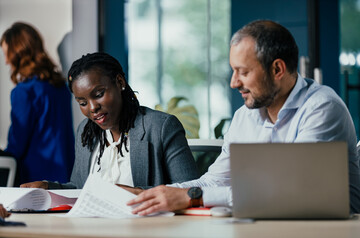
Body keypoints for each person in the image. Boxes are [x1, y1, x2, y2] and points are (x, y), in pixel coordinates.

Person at [127, 19, 360, 215]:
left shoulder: (322, 108)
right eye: (233, 70)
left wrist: (191, 197)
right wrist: (154, 194)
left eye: (244, 72)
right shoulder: (244, 117)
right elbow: (214, 181)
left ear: (277, 70)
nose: (233, 82)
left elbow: (290, 192)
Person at [21, 52, 199, 190]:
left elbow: (190, 191)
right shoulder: (85, 131)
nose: (92, 108)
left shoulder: (160, 127)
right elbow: (79, 189)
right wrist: (48, 188)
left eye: (98, 95)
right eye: (82, 102)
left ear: (120, 82)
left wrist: (130, 194)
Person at [0, 22, 75, 185]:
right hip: (67, 173)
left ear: (18, 53)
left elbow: (17, 145)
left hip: (35, 177)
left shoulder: (24, 92)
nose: (6, 61)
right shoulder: (61, 87)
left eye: (7, 54)